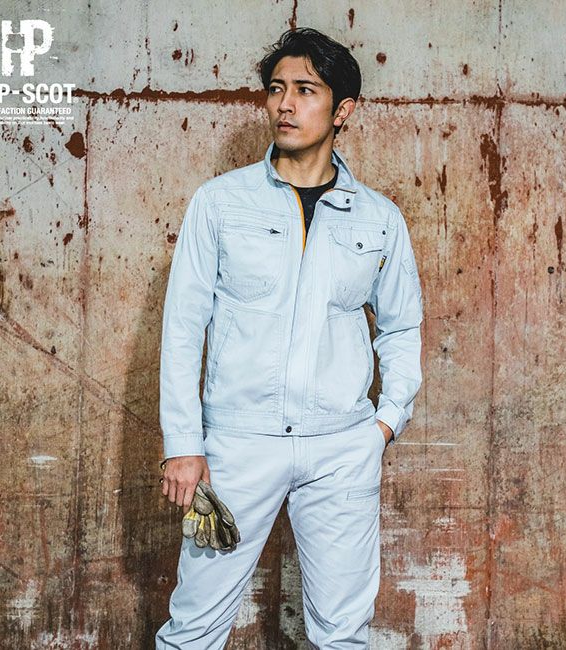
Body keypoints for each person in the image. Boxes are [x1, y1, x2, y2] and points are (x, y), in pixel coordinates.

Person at [156, 27, 423, 649]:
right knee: (194, 627)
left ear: (342, 109)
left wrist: (383, 425)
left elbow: (402, 326)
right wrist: (184, 443)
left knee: (344, 634)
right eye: (277, 89)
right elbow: (183, 327)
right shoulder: (220, 204)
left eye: (305, 90)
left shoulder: (378, 218)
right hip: (236, 448)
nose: (285, 104)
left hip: (341, 449)